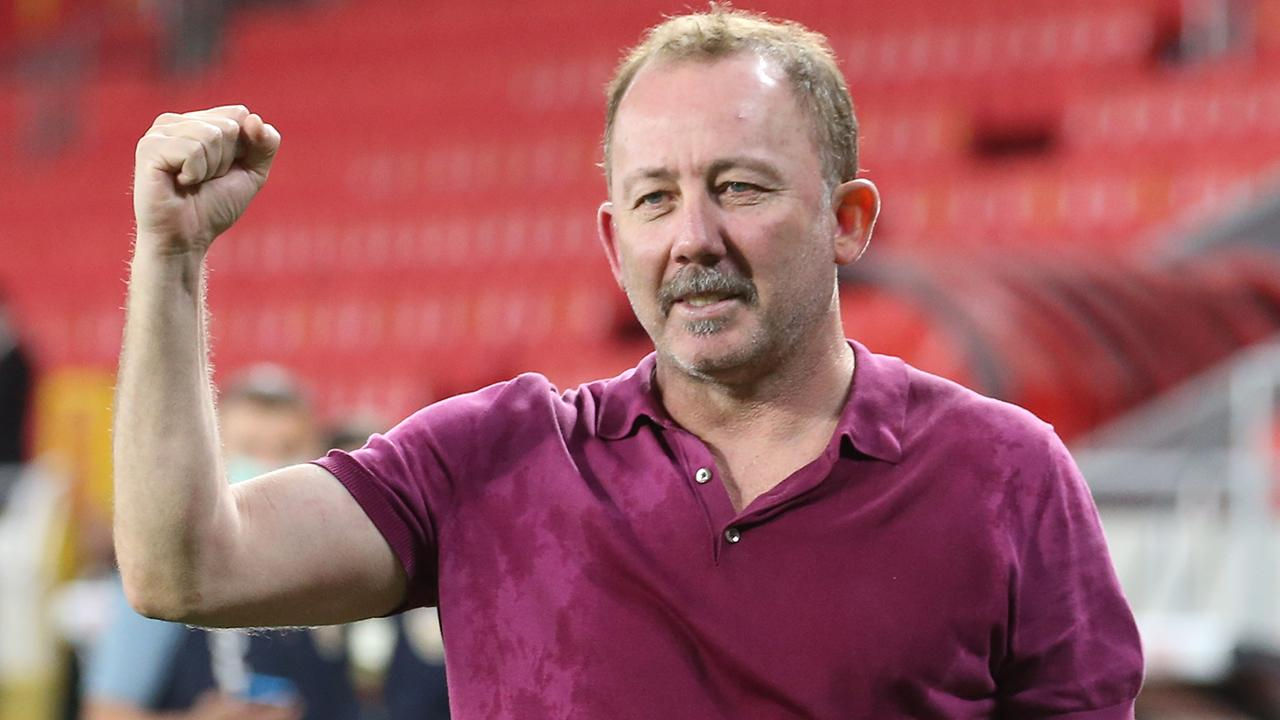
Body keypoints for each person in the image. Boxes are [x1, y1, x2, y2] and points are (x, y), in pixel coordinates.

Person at [112, 7, 1144, 718]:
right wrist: (171, 259)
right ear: (615, 244)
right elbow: (185, 568)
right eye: (654, 199)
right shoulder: (489, 461)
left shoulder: (1008, 476)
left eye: (738, 187)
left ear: (847, 220)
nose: (692, 238)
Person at [86, 366, 359, 720]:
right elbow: (104, 712)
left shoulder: (346, 564)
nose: (270, 465)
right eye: (249, 448)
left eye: (287, 449)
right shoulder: (164, 570)